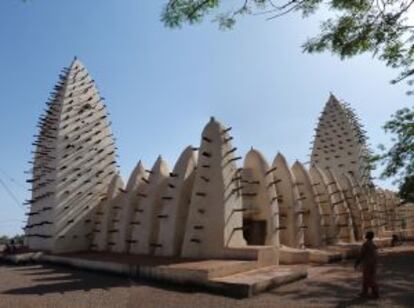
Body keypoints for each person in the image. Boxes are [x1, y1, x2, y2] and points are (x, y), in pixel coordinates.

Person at [354, 231, 379, 298]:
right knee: (368, 278)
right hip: (373, 263)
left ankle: (375, 292)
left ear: (367, 236)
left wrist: (357, 262)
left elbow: (361, 255)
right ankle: (364, 292)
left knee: (368, 278)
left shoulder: (365, 244)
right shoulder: (374, 244)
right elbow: (376, 254)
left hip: (367, 264)